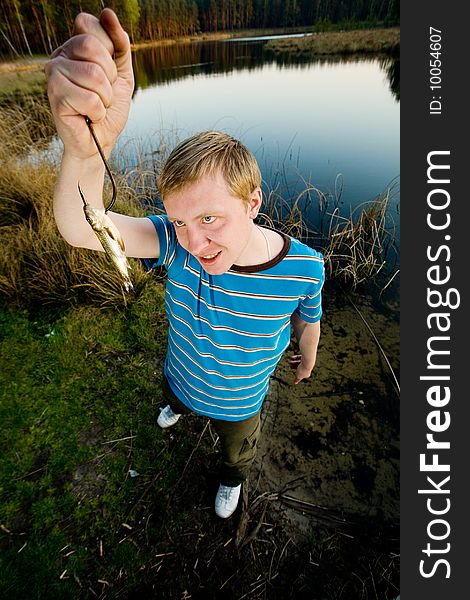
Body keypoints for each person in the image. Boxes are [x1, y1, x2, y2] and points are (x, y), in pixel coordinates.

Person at [45, 9, 324, 519]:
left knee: (237, 450)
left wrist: (307, 356)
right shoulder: (173, 244)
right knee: (178, 392)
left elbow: (309, 316)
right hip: (185, 372)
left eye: (210, 217)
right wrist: (86, 152)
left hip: (242, 401)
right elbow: (81, 227)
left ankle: (231, 478)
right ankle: (178, 403)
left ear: (253, 202)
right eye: (180, 221)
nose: (194, 241)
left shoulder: (305, 268)